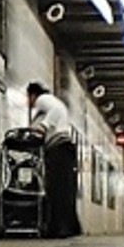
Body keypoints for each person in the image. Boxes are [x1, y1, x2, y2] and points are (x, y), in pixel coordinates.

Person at [26, 79, 81, 237]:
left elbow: (56, 110)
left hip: (59, 148)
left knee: (57, 189)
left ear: (33, 95)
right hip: (63, 148)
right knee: (65, 189)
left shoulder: (43, 100)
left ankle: (60, 228)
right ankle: (69, 226)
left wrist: (43, 126)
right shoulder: (46, 106)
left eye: (28, 98)